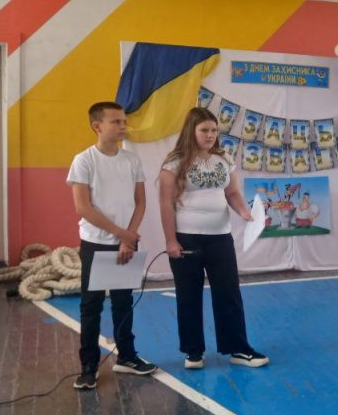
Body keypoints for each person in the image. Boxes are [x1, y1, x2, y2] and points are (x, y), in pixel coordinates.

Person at [159, 107, 269, 369]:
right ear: (191, 131)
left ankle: (238, 349)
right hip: (186, 239)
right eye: (204, 130)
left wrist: (245, 213)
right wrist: (171, 240)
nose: (210, 135)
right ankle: (193, 352)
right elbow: (165, 203)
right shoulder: (174, 162)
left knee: (229, 293)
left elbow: (232, 193)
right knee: (188, 295)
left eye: (214, 130)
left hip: (220, 238)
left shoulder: (224, 158)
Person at [67, 102, 158, 390]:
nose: (123, 126)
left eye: (123, 121)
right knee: (91, 305)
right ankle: (89, 366)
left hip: (126, 242)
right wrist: (122, 235)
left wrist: (128, 237)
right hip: (96, 244)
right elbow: (83, 207)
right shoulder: (84, 160)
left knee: (123, 301)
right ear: (98, 126)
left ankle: (127, 356)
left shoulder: (131, 160)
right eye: (116, 122)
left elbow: (141, 202)